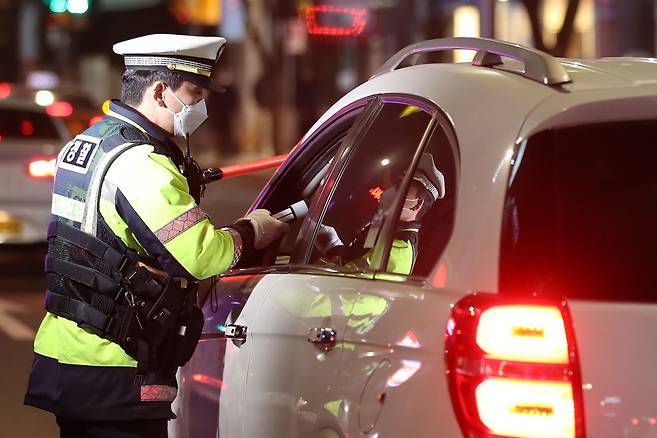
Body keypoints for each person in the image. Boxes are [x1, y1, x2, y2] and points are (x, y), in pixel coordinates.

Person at [24, 34, 288, 438]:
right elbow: (201, 256)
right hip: (114, 363)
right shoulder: (140, 164)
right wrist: (253, 231)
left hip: (70, 351)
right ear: (161, 92)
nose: (200, 108)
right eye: (195, 95)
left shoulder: (88, 143)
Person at [316, 153, 444, 275]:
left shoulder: (397, 251)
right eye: (395, 185)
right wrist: (332, 245)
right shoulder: (383, 227)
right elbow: (354, 257)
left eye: (401, 188)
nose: (390, 192)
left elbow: (345, 282)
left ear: (417, 204)